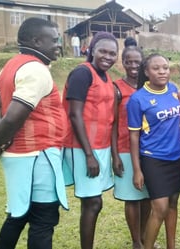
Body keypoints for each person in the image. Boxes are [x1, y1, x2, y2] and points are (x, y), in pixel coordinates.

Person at [0, 17, 68, 249]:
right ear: (36, 41)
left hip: (19, 156)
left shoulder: (11, 65)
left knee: (18, 215)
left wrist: (4, 139)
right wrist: (1, 142)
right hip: (37, 155)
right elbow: (11, 117)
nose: (58, 45)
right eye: (54, 40)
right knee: (43, 218)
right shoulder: (36, 70)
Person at [62, 31, 118, 249]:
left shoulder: (105, 76)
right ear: (92, 50)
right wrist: (88, 155)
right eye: (102, 51)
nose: (107, 56)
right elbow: (75, 114)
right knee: (92, 203)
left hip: (100, 146)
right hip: (83, 147)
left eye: (112, 53)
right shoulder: (82, 74)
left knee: (94, 202)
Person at [127, 53, 180, 249]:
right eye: (156, 68)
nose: (162, 71)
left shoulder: (173, 90)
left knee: (173, 204)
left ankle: (171, 245)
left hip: (177, 156)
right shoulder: (137, 99)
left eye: (165, 68)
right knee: (160, 208)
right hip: (153, 159)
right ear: (146, 72)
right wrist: (137, 170)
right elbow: (134, 136)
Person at [112, 45, 152, 249]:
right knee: (132, 197)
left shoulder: (150, 86)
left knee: (146, 197)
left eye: (137, 61)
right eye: (129, 61)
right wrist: (115, 155)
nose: (133, 65)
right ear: (123, 63)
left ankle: (145, 236)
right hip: (126, 149)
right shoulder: (117, 88)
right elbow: (113, 123)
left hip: (150, 150)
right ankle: (136, 241)